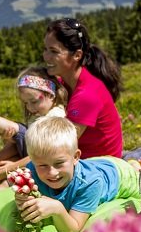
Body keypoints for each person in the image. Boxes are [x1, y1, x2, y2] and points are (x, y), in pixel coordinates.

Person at [16, 116, 141, 232]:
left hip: (119, 174)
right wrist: (23, 197)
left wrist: (57, 208)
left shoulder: (90, 183)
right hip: (93, 163)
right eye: (42, 165)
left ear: (76, 157)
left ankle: (136, 161)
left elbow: (73, 229)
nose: (52, 172)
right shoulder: (32, 170)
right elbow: (20, 188)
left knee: (139, 175)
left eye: (59, 163)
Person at [0, 66, 69, 194]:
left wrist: (11, 166)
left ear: (51, 95)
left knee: (20, 132)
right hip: (30, 153)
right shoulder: (39, 114)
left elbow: (42, 152)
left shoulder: (56, 117)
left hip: (41, 158)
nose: (29, 107)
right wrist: (8, 140)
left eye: (33, 101)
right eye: (25, 103)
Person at [42, 18, 124, 159]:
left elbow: (58, 147)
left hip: (97, 168)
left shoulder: (87, 94)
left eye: (54, 51)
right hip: (75, 160)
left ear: (77, 55)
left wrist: (3, 171)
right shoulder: (64, 83)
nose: (46, 57)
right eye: (45, 49)